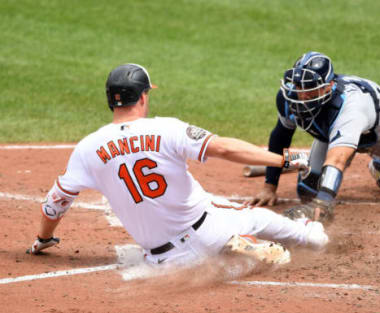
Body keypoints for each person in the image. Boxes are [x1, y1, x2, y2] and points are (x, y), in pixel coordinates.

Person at [27, 63, 329, 267]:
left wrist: (44, 238)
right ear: (143, 96)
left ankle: (237, 251)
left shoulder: (87, 148)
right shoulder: (166, 129)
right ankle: (297, 235)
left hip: (163, 261)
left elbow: (56, 201)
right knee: (255, 217)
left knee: (211, 257)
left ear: (111, 101)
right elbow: (224, 148)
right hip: (207, 229)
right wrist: (284, 159)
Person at [249, 52, 380, 223]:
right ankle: (304, 161)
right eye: (299, 86)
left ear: (329, 86)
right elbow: (280, 137)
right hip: (331, 135)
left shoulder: (350, 107)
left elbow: (338, 159)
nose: (302, 94)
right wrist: (269, 186)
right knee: (307, 192)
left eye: (309, 87)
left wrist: (323, 202)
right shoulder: (288, 99)